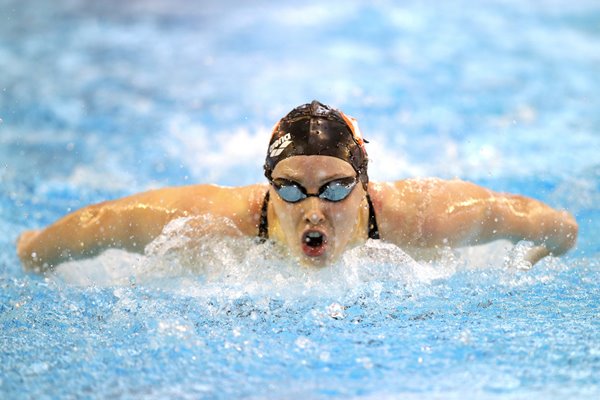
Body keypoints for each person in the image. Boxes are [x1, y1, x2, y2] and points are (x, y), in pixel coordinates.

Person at [17, 100, 578, 271]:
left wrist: (534, 259)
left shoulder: (429, 218)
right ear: (266, 186)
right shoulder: (218, 220)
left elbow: (559, 226)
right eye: (290, 189)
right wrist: (33, 252)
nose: (312, 210)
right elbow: (105, 222)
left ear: (364, 183)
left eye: (333, 188)